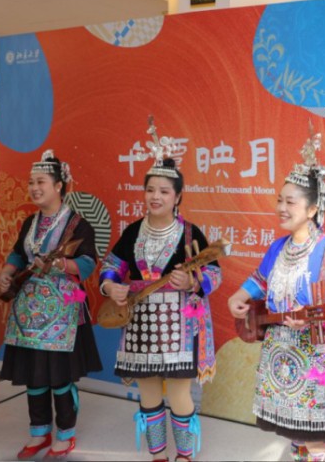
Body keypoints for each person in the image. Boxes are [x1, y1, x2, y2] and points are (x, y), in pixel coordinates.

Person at [228, 126, 325, 462]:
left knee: (316, 442)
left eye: (290, 202)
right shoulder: (277, 247)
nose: (281, 207)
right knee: (295, 436)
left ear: (312, 209)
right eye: (279, 200)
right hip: (280, 355)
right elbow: (259, 281)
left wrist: (312, 318)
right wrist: (238, 296)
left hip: (315, 359)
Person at [99, 118, 221, 462]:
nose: (155, 197)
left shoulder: (191, 234)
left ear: (177, 196)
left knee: (179, 393)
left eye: (164, 191)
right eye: (150, 190)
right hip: (140, 323)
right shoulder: (132, 232)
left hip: (180, 325)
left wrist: (193, 282)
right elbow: (111, 266)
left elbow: (214, 272)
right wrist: (110, 286)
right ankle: (158, 455)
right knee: (149, 392)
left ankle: (184, 456)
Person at [0, 149, 102, 460]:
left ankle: (65, 434)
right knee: (33, 374)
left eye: (40, 181)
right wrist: (7, 271)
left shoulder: (77, 224)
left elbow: (88, 262)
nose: (34, 188)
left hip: (62, 311)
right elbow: (19, 254)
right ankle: (39, 431)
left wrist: (60, 265)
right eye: (31, 182)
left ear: (58, 186)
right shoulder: (31, 222)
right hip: (28, 311)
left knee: (59, 375)